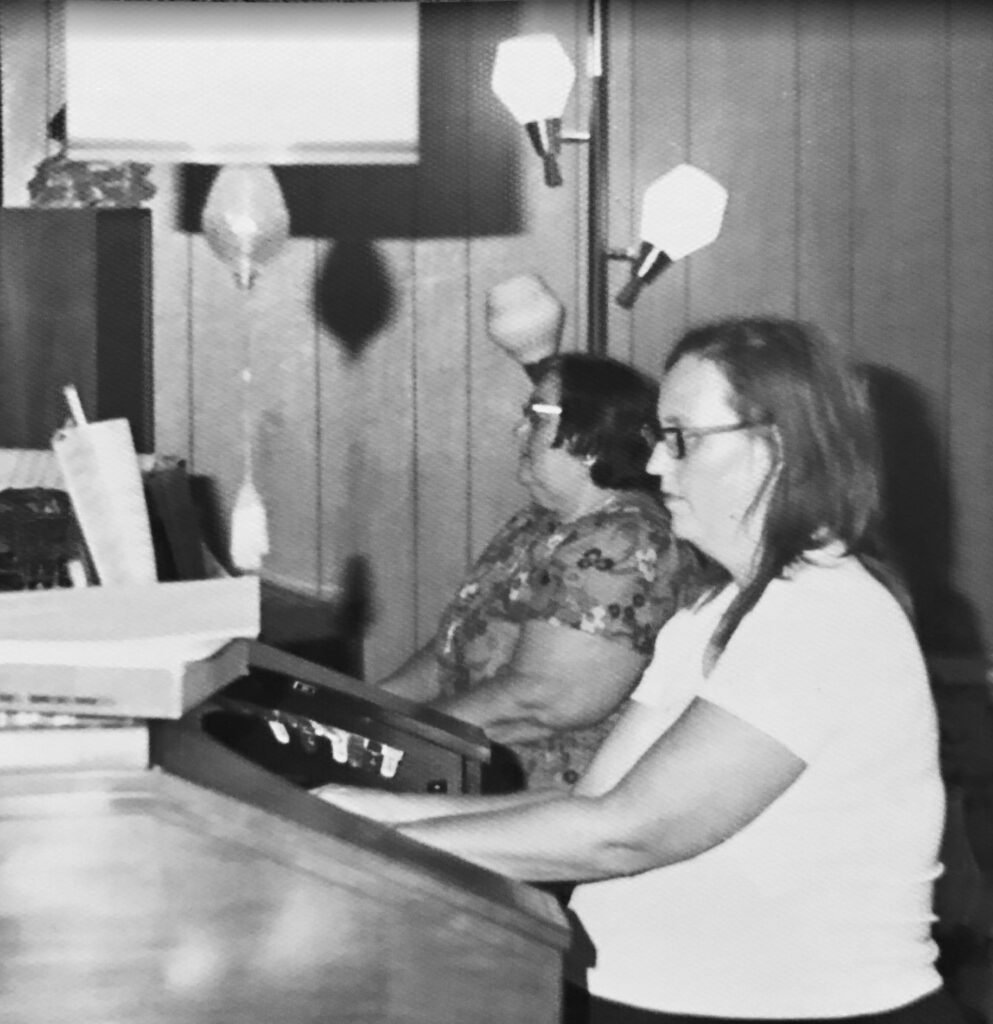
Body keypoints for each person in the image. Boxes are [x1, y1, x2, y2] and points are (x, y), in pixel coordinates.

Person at [316, 316, 968, 1023]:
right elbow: (594, 802)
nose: (655, 464)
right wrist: (370, 810)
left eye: (681, 438)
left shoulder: (822, 613)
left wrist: (370, 846)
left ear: (778, 448)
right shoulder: (713, 610)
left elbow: (628, 831)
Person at [379, 349, 706, 792]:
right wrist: (367, 710)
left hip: (549, 797)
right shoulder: (536, 523)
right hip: (470, 771)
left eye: (535, 416)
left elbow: (543, 699)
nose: (519, 429)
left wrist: (397, 736)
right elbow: (451, 650)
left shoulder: (625, 542)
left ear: (588, 436)